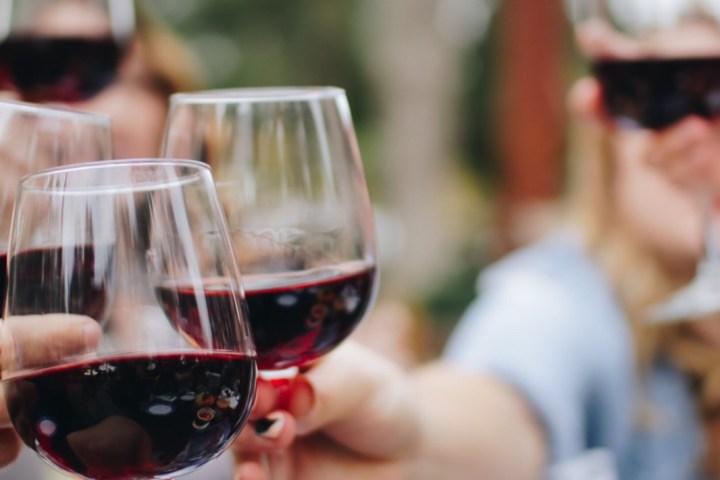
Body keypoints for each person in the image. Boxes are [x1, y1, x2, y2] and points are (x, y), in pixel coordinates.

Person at [229, 14, 720, 480]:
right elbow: (502, 397)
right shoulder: (566, 295)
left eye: (717, 98)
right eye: (667, 102)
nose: (699, 136)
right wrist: (415, 432)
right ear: (610, 156)